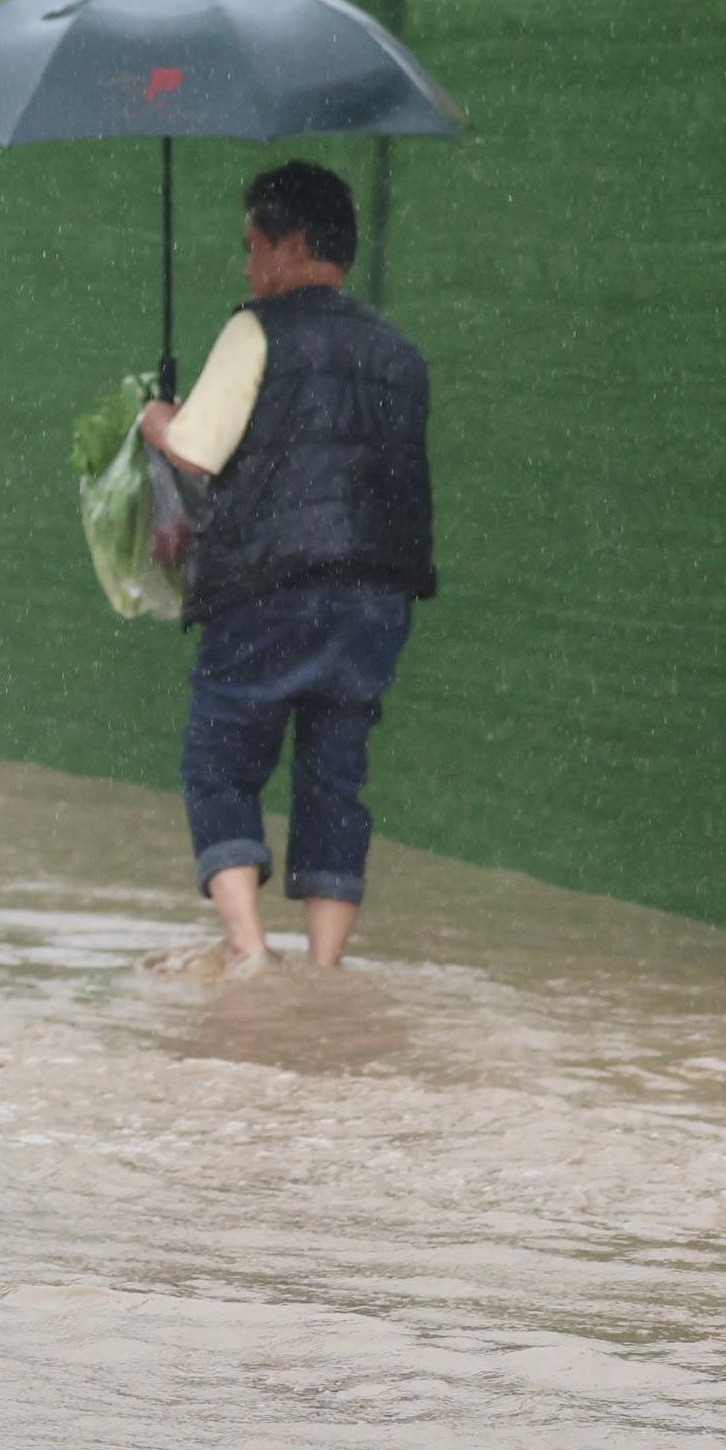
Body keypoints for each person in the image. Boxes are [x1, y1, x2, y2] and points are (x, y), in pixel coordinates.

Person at [136, 156, 432, 972]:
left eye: (253, 245)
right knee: (335, 777)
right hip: (377, 601)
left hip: (272, 587)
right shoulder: (401, 355)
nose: (247, 266)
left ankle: (252, 951)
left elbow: (198, 451)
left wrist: (159, 419)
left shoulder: (256, 329)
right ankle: (326, 968)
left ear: (292, 243)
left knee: (220, 761)